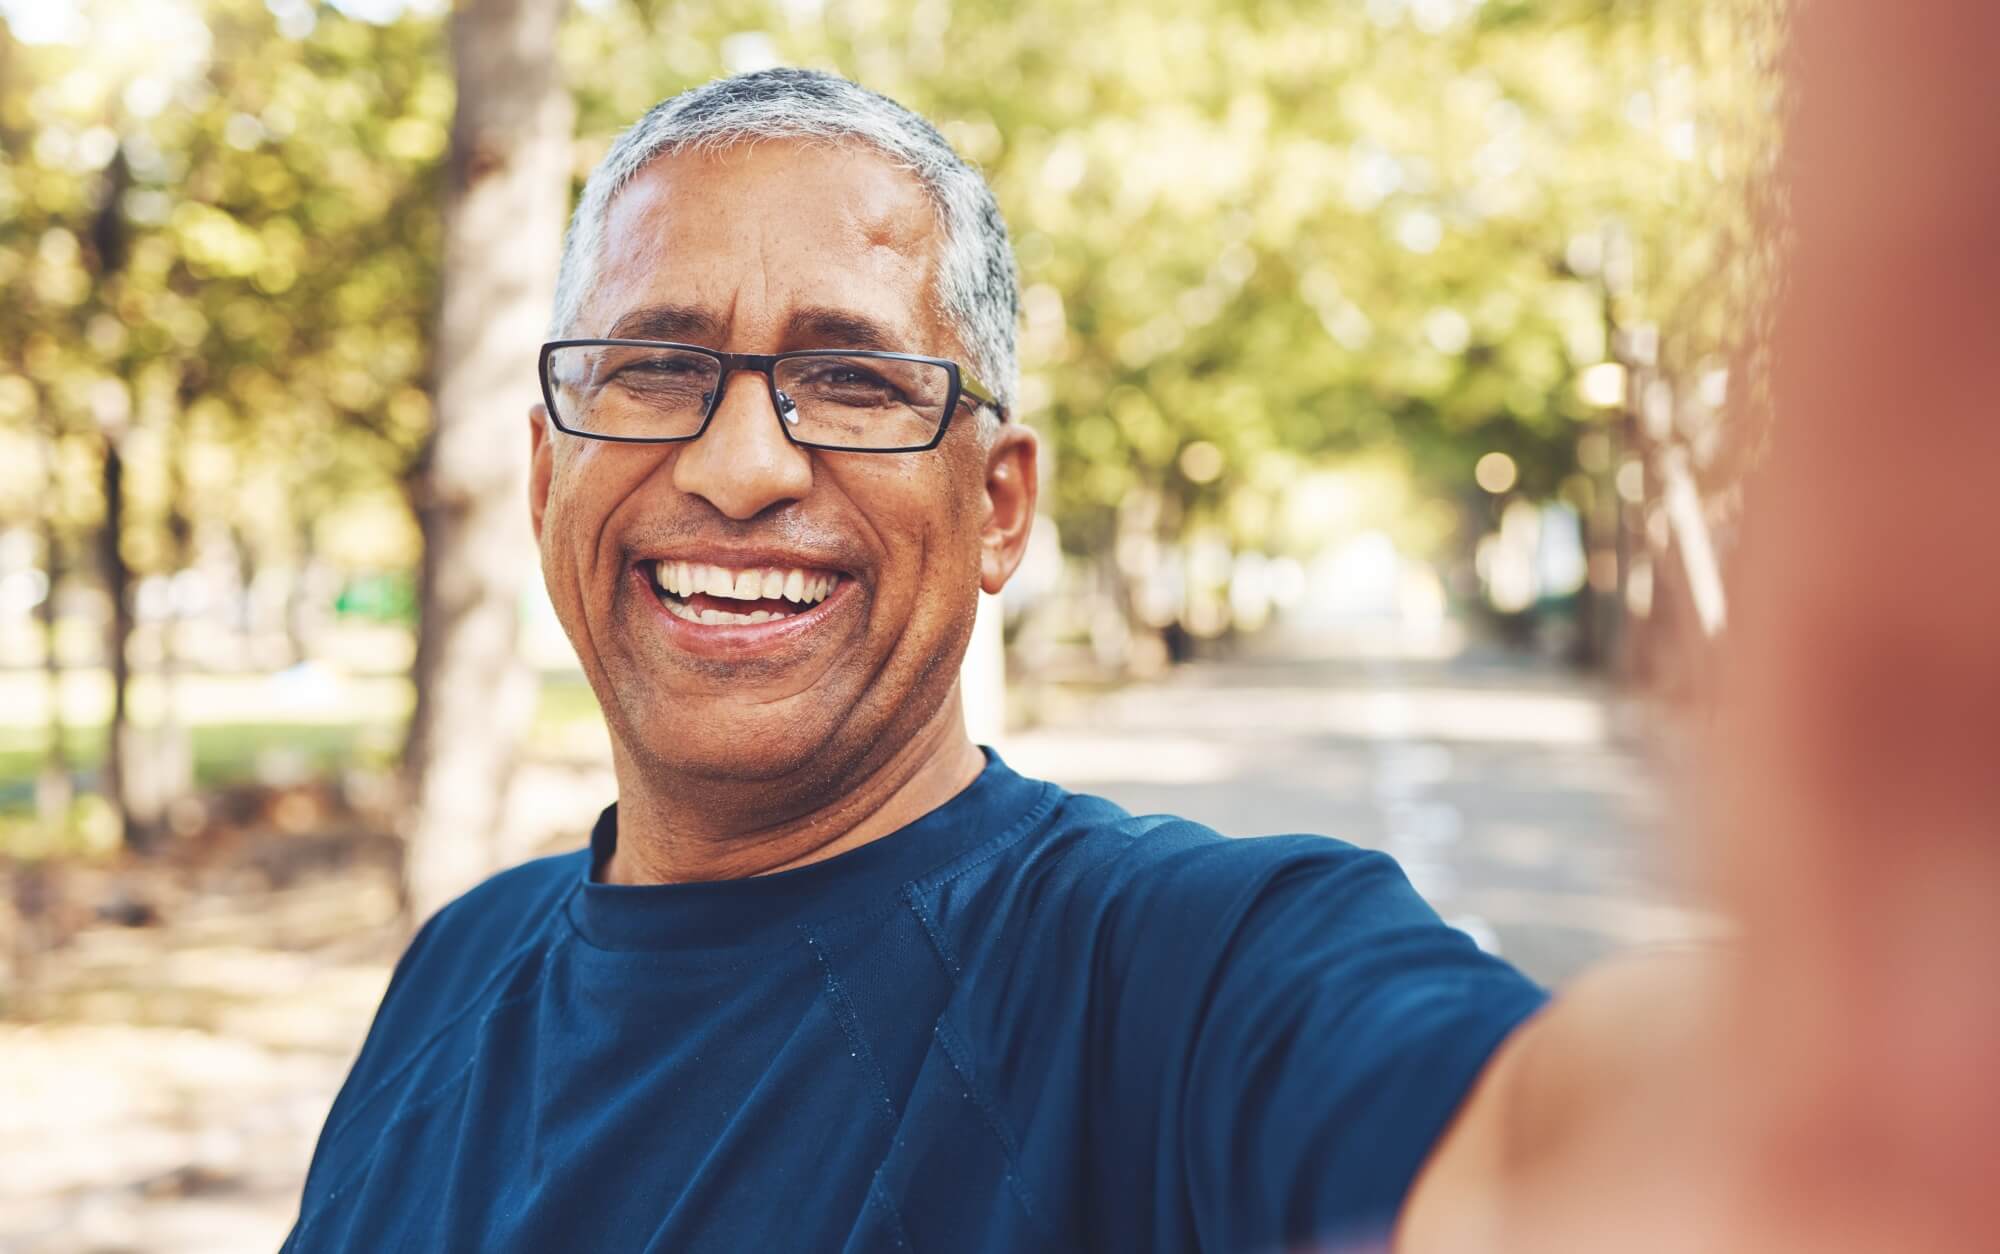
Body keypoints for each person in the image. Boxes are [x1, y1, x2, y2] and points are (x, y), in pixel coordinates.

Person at [285, 51, 2000, 1253]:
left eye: (858, 379)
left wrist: (1869, 1031)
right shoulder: (458, 972)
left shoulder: (1177, 976)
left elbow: (1554, 1143)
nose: (741, 464)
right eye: (655, 367)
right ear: (542, 470)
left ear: (1003, 503)